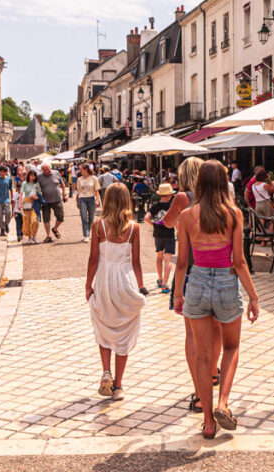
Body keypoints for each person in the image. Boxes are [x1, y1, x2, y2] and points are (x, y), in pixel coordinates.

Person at [174, 161, 259, 439]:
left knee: (202, 356)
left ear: (198, 183)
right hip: (225, 281)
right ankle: (223, 403)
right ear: (224, 183)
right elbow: (239, 261)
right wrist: (254, 296)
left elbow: (182, 263)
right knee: (231, 346)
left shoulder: (187, 216)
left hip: (196, 282)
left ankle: (208, 422)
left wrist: (178, 294)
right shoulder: (233, 214)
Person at [162, 157, 222, 416]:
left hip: (192, 266)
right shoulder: (219, 198)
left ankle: (200, 391)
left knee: (193, 334)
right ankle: (212, 372)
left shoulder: (183, 197)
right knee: (217, 326)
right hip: (218, 266)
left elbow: (165, 222)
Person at [86, 183, 146, 402]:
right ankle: (118, 386)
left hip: (103, 279)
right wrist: (140, 288)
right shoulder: (134, 228)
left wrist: (88, 284)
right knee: (124, 330)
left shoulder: (98, 226)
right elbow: (137, 262)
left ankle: (105, 372)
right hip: (125, 280)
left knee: (103, 325)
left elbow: (93, 258)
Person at [146, 182, 176, 292]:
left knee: (159, 256)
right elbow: (175, 221)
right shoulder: (172, 207)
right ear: (169, 195)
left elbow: (146, 218)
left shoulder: (155, 206)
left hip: (158, 234)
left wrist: (154, 224)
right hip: (169, 234)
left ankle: (159, 279)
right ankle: (165, 284)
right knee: (168, 259)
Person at [37, 163, 68, 242]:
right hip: (45, 201)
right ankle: (48, 236)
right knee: (46, 219)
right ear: (42, 170)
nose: (48, 171)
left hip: (57, 199)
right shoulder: (39, 177)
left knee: (60, 217)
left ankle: (55, 229)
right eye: (45, 170)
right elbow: (36, 187)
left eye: (48, 169)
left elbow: (62, 184)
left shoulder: (56, 173)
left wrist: (64, 194)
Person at [76, 164, 101, 241]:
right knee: (84, 218)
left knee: (91, 218)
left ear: (86, 169)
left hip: (91, 199)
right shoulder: (79, 179)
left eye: (81, 170)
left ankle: (89, 233)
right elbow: (78, 191)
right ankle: (86, 235)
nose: (80, 171)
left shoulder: (94, 178)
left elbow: (97, 191)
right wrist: (77, 201)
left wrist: (97, 200)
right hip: (82, 199)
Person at [21, 170, 41, 244]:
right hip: (27, 202)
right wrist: (20, 204)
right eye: (31, 175)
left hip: (35, 203)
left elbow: (39, 194)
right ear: (28, 176)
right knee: (28, 221)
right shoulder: (24, 184)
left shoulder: (37, 184)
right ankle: (29, 237)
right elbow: (21, 194)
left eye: (34, 175)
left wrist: (37, 197)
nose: (32, 177)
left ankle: (34, 236)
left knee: (35, 221)